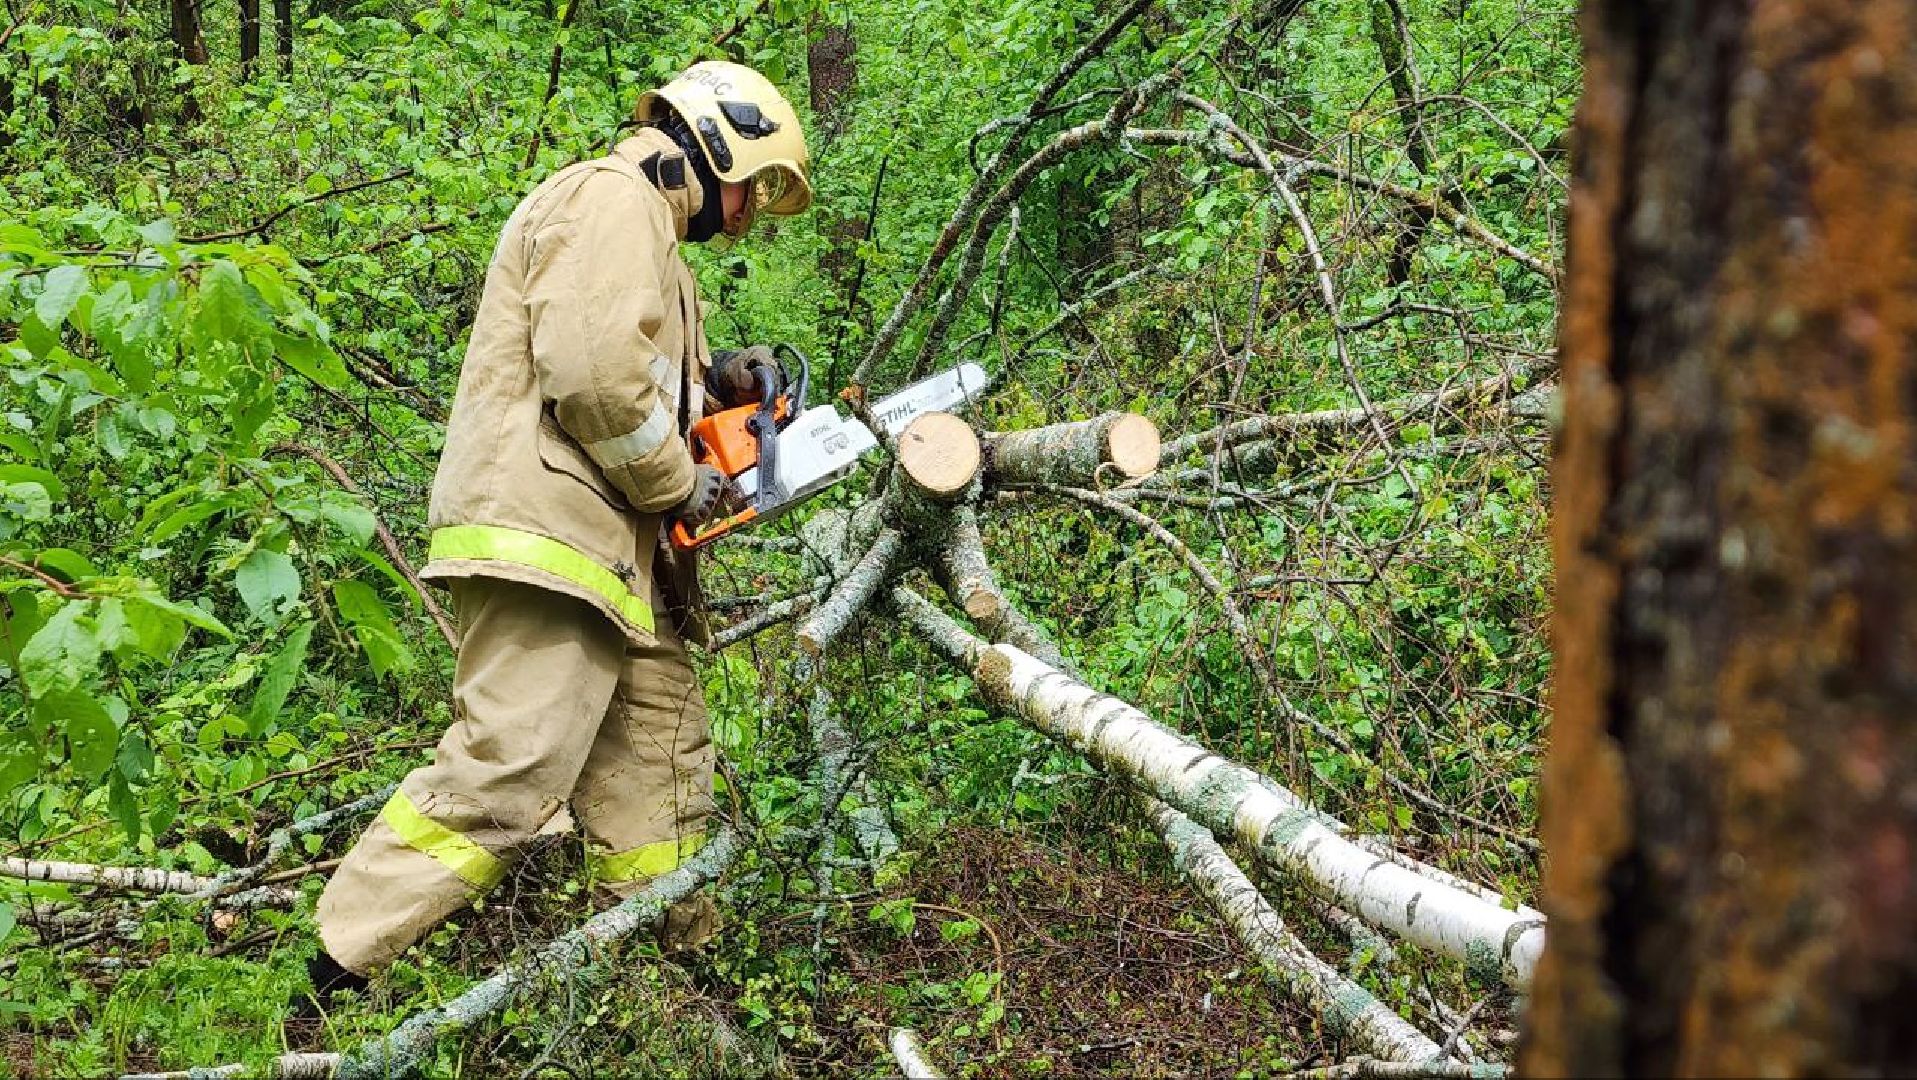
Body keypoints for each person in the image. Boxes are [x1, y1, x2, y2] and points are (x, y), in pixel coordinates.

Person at [300, 60, 813, 1006]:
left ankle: (671, 987)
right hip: (553, 540)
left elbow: (641, 374)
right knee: (512, 765)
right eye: (751, 189)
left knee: (660, 759)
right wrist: (676, 479)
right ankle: (328, 976)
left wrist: (722, 383)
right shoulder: (610, 199)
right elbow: (590, 374)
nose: (745, 217)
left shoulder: (653, 242)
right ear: (719, 138)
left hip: (618, 564)